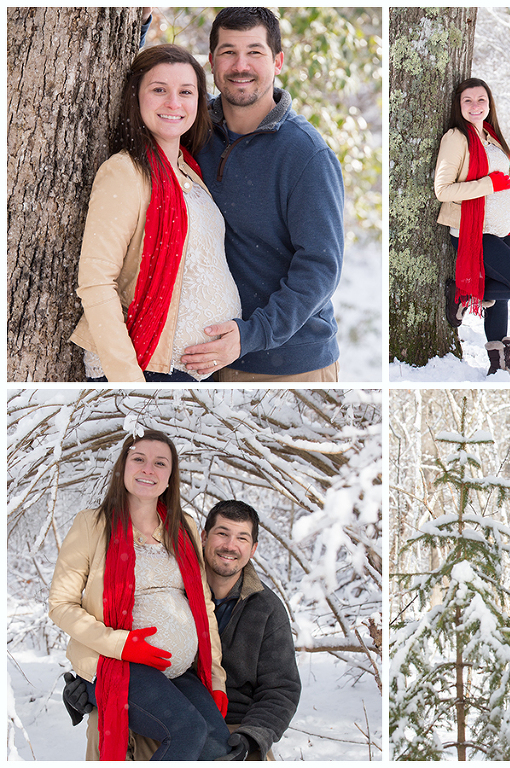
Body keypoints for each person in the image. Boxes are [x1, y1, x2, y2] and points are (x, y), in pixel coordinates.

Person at [152, 7, 344, 383]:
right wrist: (139, 26)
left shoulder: (306, 154)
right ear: (211, 62)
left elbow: (320, 268)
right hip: (199, 360)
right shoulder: (191, 127)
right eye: (228, 52)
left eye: (254, 52)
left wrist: (251, 336)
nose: (241, 65)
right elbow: (143, 102)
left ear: (278, 61)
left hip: (286, 365)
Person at [65, 499, 302, 762]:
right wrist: (88, 686)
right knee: (107, 724)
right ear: (202, 537)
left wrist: (252, 735)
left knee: (221, 752)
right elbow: (107, 627)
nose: (230, 546)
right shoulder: (171, 586)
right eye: (222, 533)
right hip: (162, 710)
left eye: (242, 538)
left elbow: (282, 689)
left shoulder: (266, 609)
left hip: (235, 723)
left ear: (253, 548)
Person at [48, 431, 232, 760]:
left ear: (169, 478)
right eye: (139, 459)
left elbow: (202, 607)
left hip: (177, 672)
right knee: (188, 730)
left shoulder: (183, 526)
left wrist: (216, 678)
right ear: (123, 468)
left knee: (218, 741)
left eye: (160, 463)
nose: (148, 469)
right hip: (116, 664)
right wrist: (121, 643)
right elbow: (61, 606)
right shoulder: (92, 525)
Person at [69, 44, 241, 383]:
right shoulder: (125, 172)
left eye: (186, 92)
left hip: (187, 374)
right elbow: (96, 281)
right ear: (136, 97)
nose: (174, 103)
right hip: (145, 368)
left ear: (199, 102)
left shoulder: (188, 168)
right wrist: (128, 378)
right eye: (159, 90)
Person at [434, 77, 510, 381]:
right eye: (468, 100)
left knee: (501, 297)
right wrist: (489, 184)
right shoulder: (457, 138)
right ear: (459, 105)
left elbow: (507, 179)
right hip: (474, 231)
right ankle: (463, 295)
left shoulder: (490, 136)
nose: (475, 106)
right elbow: (443, 190)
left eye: (481, 100)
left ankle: (500, 364)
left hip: (501, 230)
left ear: (489, 105)